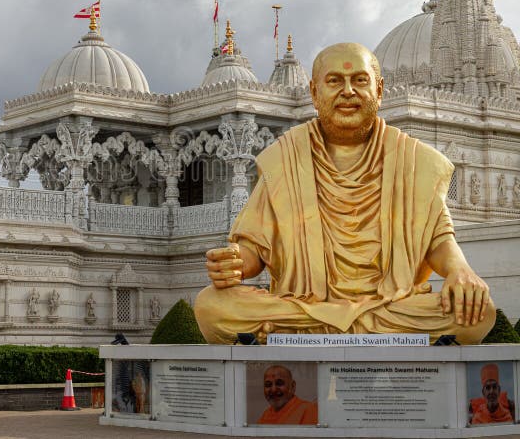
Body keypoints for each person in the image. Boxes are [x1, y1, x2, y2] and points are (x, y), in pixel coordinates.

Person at [195, 43, 496, 344]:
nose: (348, 91)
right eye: (335, 81)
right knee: (211, 306)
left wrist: (460, 270)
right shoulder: (284, 159)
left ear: (379, 91)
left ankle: (312, 335)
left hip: (388, 306)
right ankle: (359, 334)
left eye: (360, 81)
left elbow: (439, 240)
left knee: (478, 311)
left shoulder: (415, 161)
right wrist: (234, 262)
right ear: (314, 93)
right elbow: (255, 249)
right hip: (306, 305)